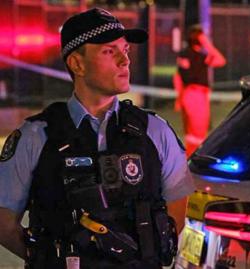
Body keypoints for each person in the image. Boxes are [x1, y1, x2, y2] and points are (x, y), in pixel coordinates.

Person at [0, 8, 195, 269]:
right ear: (77, 64)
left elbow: (176, 213)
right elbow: (3, 222)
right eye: (108, 51)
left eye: (124, 50)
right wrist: (49, 259)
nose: (124, 61)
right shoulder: (35, 137)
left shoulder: (156, 131)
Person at [173, 24, 226, 157]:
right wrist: (207, 43)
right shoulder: (188, 54)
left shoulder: (201, 56)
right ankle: (191, 164)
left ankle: (189, 163)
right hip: (194, 94)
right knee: (197, 134)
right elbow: (178, 77)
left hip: (195, 95)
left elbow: (220, 61)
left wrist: (179, 98)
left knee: (195, 133)